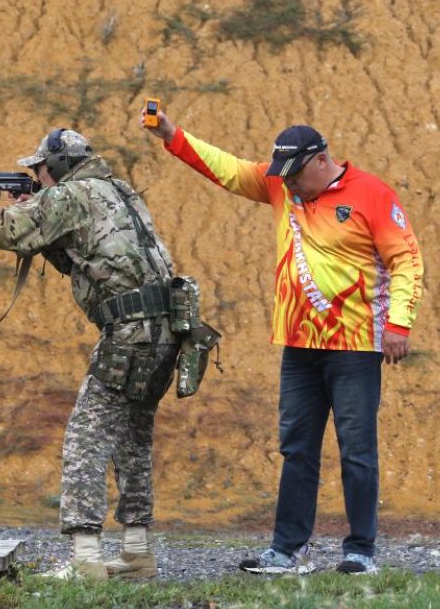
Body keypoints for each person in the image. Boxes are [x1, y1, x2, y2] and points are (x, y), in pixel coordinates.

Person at [141, 108, 424, 576]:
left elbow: (407, 261)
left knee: (356, 449)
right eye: (283, 175)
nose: (287, 183)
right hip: (298, 344)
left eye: (295, 174)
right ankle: (289, 551)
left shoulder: (373, 194)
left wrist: (399, 324)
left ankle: (361, 552)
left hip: (355, 347)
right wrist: (173, 136)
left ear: (321, 160)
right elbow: (228, 170)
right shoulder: (282, 185)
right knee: (296, 448)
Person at [0, 128, 180, 580]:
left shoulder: (69, 195)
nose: (39, 176)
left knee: (85, 440)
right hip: (167, 329)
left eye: (42, 169)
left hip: (130, 331)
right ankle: (137, 553)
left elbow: (8, 230)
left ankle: (86, 560)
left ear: (61, 166)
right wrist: (35, 211)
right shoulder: (116, 190)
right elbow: (83, 255)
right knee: (132, 439)